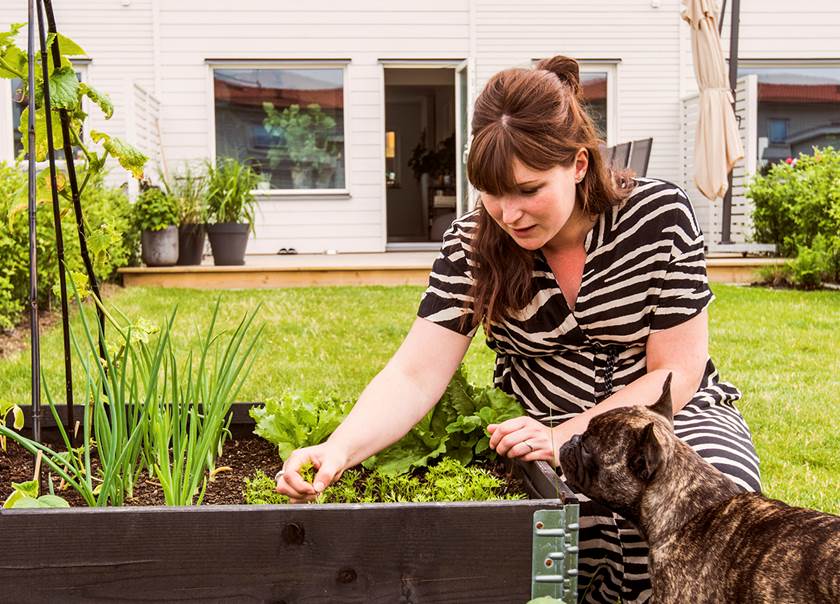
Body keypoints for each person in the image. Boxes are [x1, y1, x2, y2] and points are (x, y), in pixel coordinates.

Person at [275, 55, 761, 604]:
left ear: (578, 165)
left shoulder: (657, 216)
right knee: (556, 543)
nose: (509, 213)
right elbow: (415, 374)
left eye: (529, 190)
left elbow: (676, 371)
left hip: (665, 420)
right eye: (491, 192)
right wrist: (338, 448)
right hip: (543, 425)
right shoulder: (472, 243)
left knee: (723, 518)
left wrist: (569, 435)